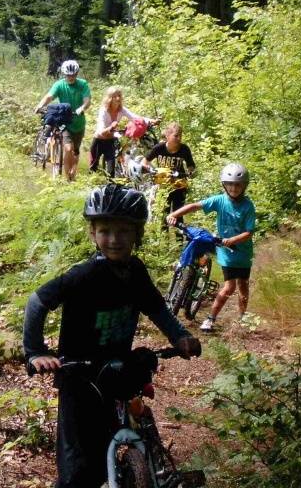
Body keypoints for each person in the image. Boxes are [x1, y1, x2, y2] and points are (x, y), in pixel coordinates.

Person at [24, 184, 202, 488]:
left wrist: (179, 336)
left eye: (123, 231)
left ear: (136, 234)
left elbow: (156, 308)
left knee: (104, 450)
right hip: (79, 377)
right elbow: (37, 302)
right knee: (76, 469)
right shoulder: (85, 275)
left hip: (116, 369)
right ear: (93, 234)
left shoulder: (136, 271)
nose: (114, 239)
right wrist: (35, 351)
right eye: (105, 231)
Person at [166, 162, 255, 333]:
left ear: (244, 186)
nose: (234, 188)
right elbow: (195, 206)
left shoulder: (247, 206)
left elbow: (249, 232)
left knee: (243, 285)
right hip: (226, 251)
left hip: (242, 251)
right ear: (224, 185)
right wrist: (174, 214)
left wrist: (233, 240)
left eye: (238, 185)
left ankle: (243, 317)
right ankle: (211, 318)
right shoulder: (219, 200)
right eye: (230, 184)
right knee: (230, 287)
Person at [34, 60, 91, 181]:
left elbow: (87, 100)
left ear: (77, 74)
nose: (71, 77)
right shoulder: (59, 85)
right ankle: (68, 179)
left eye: (73, 75)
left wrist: (82, 108)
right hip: (65, 121)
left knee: (75, 151)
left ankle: (73, 173)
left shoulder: (83, 84)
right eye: (68, 75)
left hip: (79, 122)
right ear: (64, 74)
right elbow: (49, 96)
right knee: (68, 148)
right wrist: (40, 105)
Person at [89, 86, 156, 177]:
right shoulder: (103, 111)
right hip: (99, 140)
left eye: (119, 96)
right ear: (109, 98)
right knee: (93, 166)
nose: (118, 98)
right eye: (115, 96)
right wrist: (110, 127)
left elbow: (135, 117)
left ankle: (110, 184)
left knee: (111, 170)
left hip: (110, 141)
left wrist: (151, 121)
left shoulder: (121, 110)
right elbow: (101, 130)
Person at [143, 122, 197, 220]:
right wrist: (151, 170)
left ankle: (178, 229)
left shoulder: (184, 149)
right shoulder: (159, 148)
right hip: (163, 184)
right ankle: (164, 230)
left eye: (180, 136)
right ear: (167, 136)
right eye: (176, 136)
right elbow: (145, 161)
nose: (179, 138)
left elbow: (191, 166)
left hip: (179, 184)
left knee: (178, 214)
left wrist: (191, 173)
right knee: (164, 213)